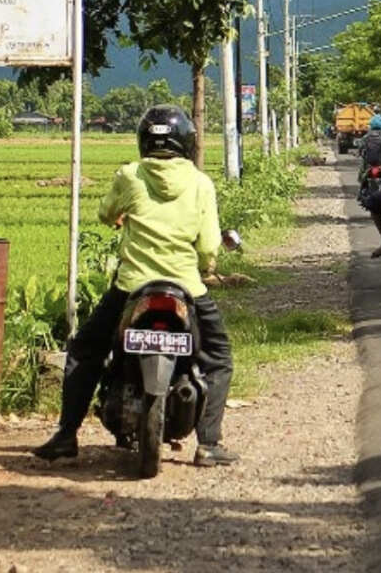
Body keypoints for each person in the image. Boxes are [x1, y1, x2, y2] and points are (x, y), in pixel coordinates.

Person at [34, 104, 237, 468]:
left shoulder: (130, 176)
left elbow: (106, 213)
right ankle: (208, 444)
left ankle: (66, 435)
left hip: (131, 287)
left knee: (85, 349)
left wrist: (119, 218)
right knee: (218, 357)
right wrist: (207, 266)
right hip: (186, 288)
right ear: (187, 143)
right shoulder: (201, 183)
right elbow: (208, 246)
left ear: (143, 141)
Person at [358, 114, 381, 252]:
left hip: (368, 169)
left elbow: (361, 152)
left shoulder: (365, 138)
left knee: (362, 180)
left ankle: (362, 196)